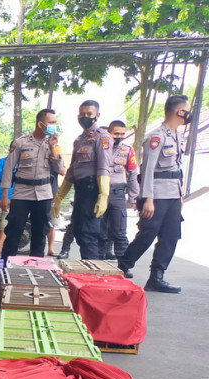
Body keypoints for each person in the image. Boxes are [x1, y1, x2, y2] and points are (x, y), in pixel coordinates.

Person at [117, 94, 190, 293]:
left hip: (172, 195)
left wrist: (180, 195)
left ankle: (157, 277)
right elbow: (147, 169)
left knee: (171, 236)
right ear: (179, 112)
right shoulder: (156, 137)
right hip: (156, 195)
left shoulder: (176, 136)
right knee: (147, 234)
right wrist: (147, 198)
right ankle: (122, 267)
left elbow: (176, 169)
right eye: (188, 110)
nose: (189, 114)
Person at [52, 100, 114, 260]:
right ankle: (90, 269)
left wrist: (103, 195)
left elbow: (103, 167)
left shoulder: (103, 137)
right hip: (80, 191)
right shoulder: (79, 140)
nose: (85, 117)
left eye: (89, 114)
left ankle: (92, 272)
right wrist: (59, 196)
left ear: (97, 116)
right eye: (82, 114)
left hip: (94, 190)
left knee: (89, 234)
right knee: (79, 232)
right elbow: (72, 170)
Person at [1, 109, 63, 260]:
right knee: (14, 230)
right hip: (22, 192)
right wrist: (5, 196)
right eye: (51, 122)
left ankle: (36, 267)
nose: (54, 126)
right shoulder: (20, 142)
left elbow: (60, 169)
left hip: (43, 193)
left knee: (40, 232)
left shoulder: (53, 144)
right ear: (40, 124)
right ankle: (6, 266)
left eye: (55, 122)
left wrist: (53, 147)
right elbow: (8, 169)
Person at [101, 120, 140, 259]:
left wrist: (134, 197)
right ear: (109, 133)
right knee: (99, 231)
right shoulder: (99, 147)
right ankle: (97, 263)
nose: (119, 136)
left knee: (119, 232)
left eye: (122, 134)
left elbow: (133, 173)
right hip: (99, 193)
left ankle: (124, 265)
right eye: (116, 133)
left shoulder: (127, 149)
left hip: (117, 194)